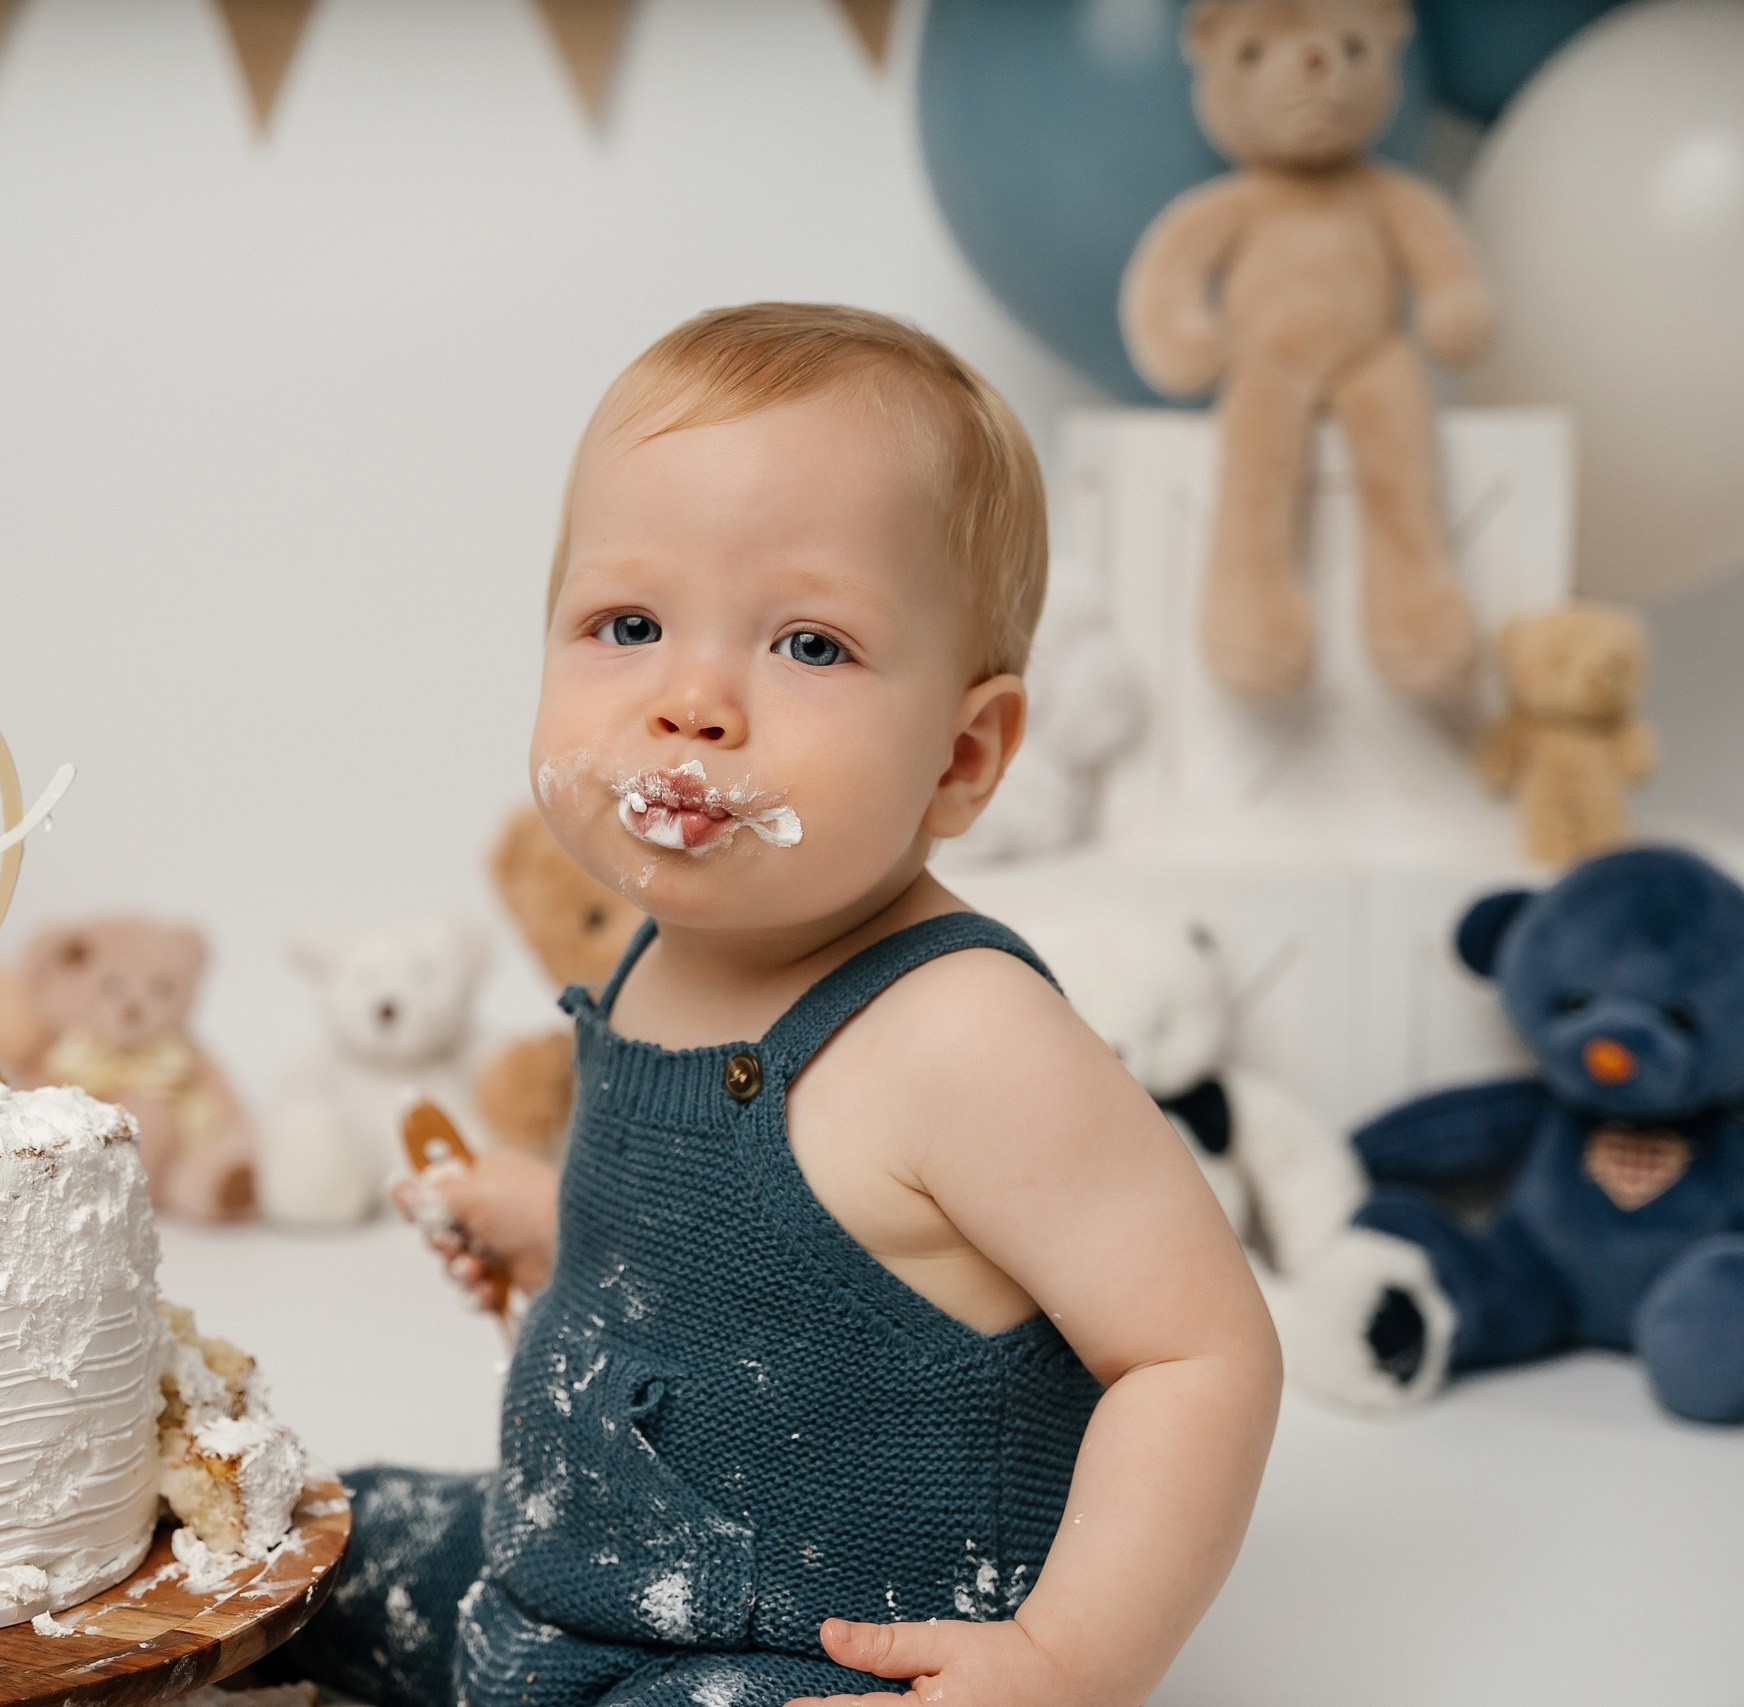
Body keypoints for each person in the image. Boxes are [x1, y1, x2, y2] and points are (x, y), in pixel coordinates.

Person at [284, 303, 1281, 1707]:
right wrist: (557, 1226)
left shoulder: (963, 1035)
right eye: (627, 624)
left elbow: (1201, 1352)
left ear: (964, 752)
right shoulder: (662, 942)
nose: (693, 700)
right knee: (297, 1531)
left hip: (781, 1657)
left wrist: (1070, 1662)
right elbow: (723, 1268)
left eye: (809, 646)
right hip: (559, 1571)